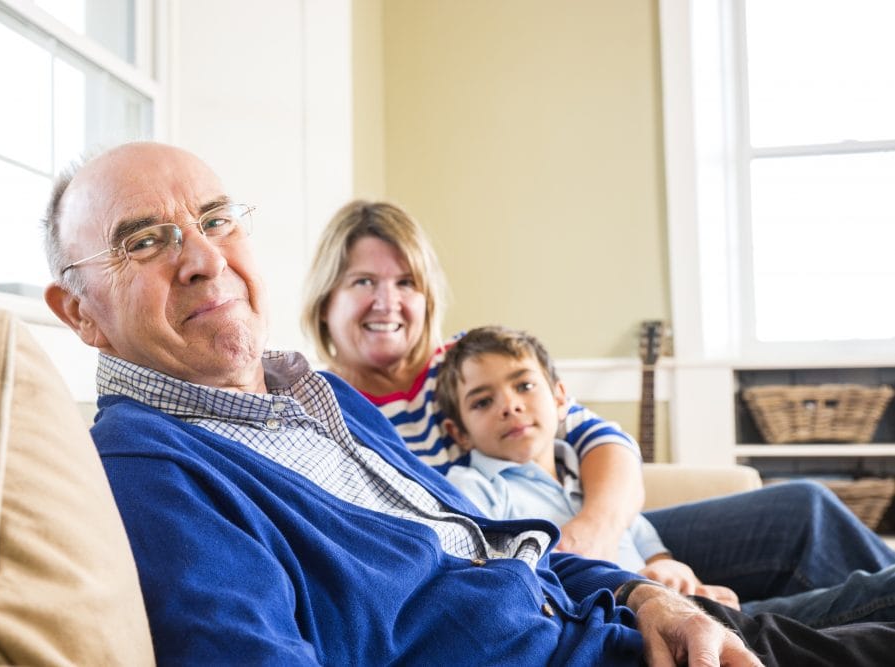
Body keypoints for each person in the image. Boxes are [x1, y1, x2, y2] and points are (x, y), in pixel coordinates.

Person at [40, 141, 895, 666]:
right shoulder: (153, 465)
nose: (200, 257)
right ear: (78, 310)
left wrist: (639, 591)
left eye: (217, 219)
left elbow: (497, 531)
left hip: (611, 616)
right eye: (144, 240)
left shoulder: (323, 397)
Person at [301, 199, 895, 620]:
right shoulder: (322, 408)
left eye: (406, 282)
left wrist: (603, 535)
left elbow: (599, 440)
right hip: (522, 571)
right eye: (362, 282)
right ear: (326, 299)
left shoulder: (468, 362)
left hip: (588, 535)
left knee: (804, 509)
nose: (388, 301)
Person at [437, 324, 895, 626]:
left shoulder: (588, 480)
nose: (510, 405)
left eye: (524, 385)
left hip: (687, 606)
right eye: (483, 401)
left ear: (561, 399)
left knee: (867, 602)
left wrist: (669, 568)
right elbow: (501, 578)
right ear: (458, 432)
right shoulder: (474, 488)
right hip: (641, 626)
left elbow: (643, 540)